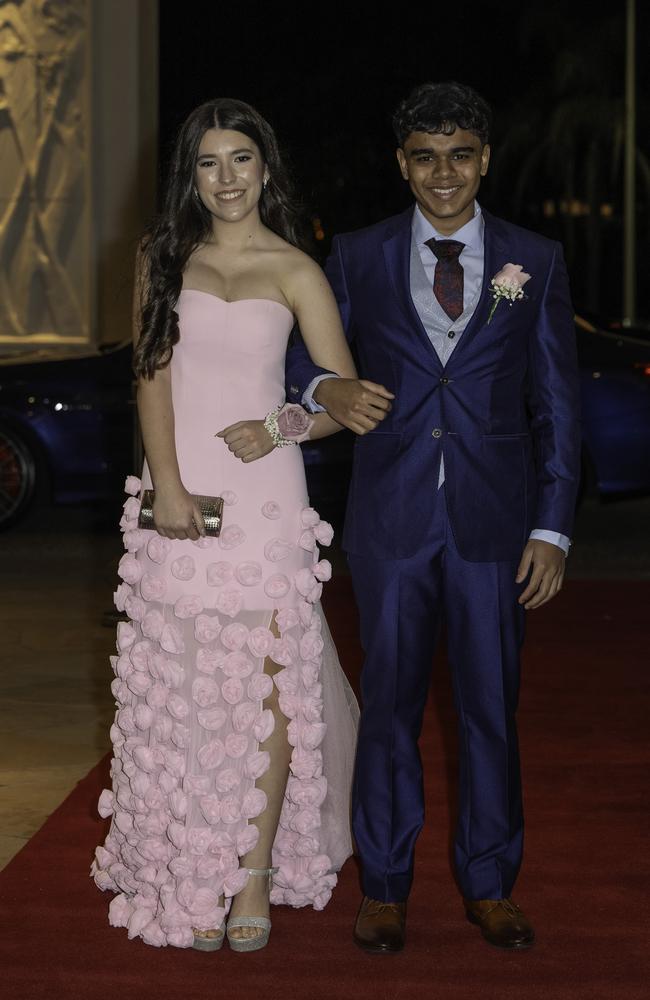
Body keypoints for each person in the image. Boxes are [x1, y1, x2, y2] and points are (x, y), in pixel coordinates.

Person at [286, 81, 581, 953]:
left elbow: (557, 406)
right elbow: (304, 348)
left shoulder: (537, 259)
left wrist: (553, 527)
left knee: (492, 710)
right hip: (392, 520)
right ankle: (383, 886)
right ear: (402, 164)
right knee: (390, 708)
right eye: (425, 156)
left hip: (498, 528)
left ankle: (490, 883)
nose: (443, 173)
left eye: (460, 155)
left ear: (484, 159)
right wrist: (322, 386)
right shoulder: (358, 255)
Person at [91, 98, 359, 953]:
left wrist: (281, 425)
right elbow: (150, 375)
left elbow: (343, 401)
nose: (228, 177)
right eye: (209, 163)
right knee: (185, 679)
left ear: (266, 168)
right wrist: (165, 487)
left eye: (241, 158)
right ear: (191, 177)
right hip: (182, 491)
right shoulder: (161, 257)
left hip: (268, 499)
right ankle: (190, 866)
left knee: (270, 687)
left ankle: (252, 872)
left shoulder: (296, 270)